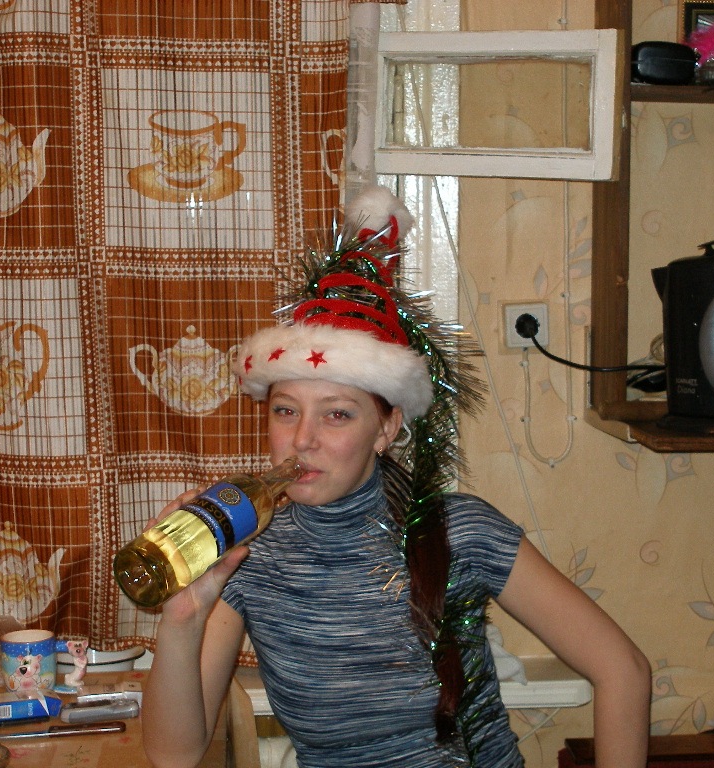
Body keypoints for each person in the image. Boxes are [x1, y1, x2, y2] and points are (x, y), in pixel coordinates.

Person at [140, 187, 651, 768]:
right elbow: (173, 755)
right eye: (285, 410)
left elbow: (624, 670)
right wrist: (183, 618)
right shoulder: (249, 552)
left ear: (386, 429)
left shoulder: (460, 531)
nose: (302, 439)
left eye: (337, 414)